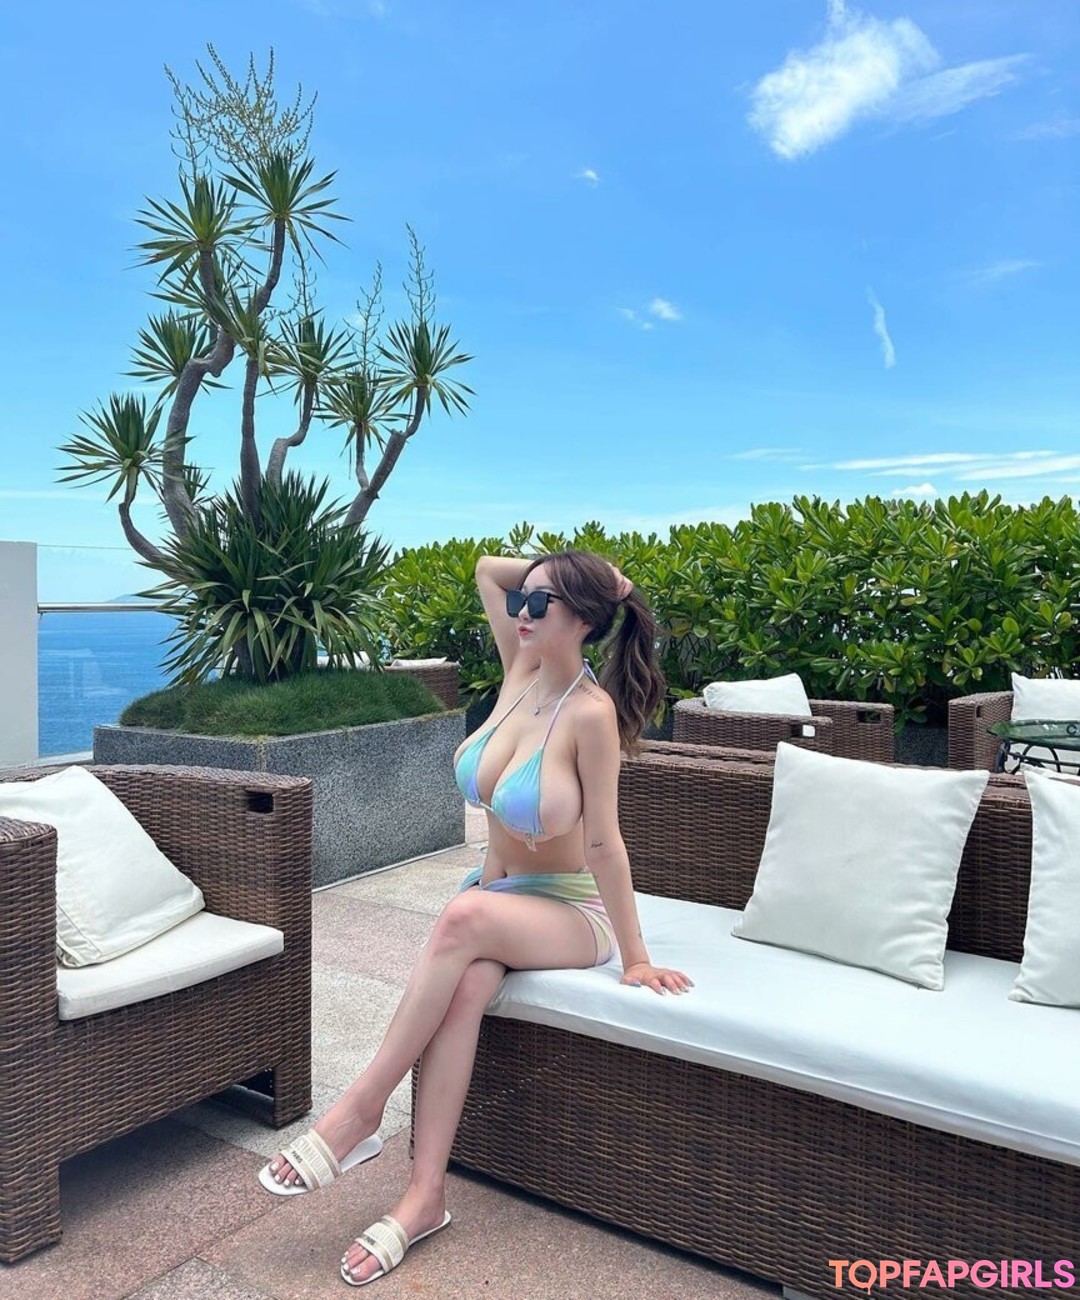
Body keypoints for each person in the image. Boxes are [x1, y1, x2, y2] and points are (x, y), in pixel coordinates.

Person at [260, 550, 693, 1287]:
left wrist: (637, 956)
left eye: (541, 604)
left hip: (569, 909)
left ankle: (361, 1110)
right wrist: (594, 577)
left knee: (461, 918)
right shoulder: (520, 670)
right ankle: (425, 1197)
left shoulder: (590, 714)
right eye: (523, 601)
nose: (521, 612)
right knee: (464, 987)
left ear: (583, 622)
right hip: (502, 903)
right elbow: (490, 570)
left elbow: (604, 844)